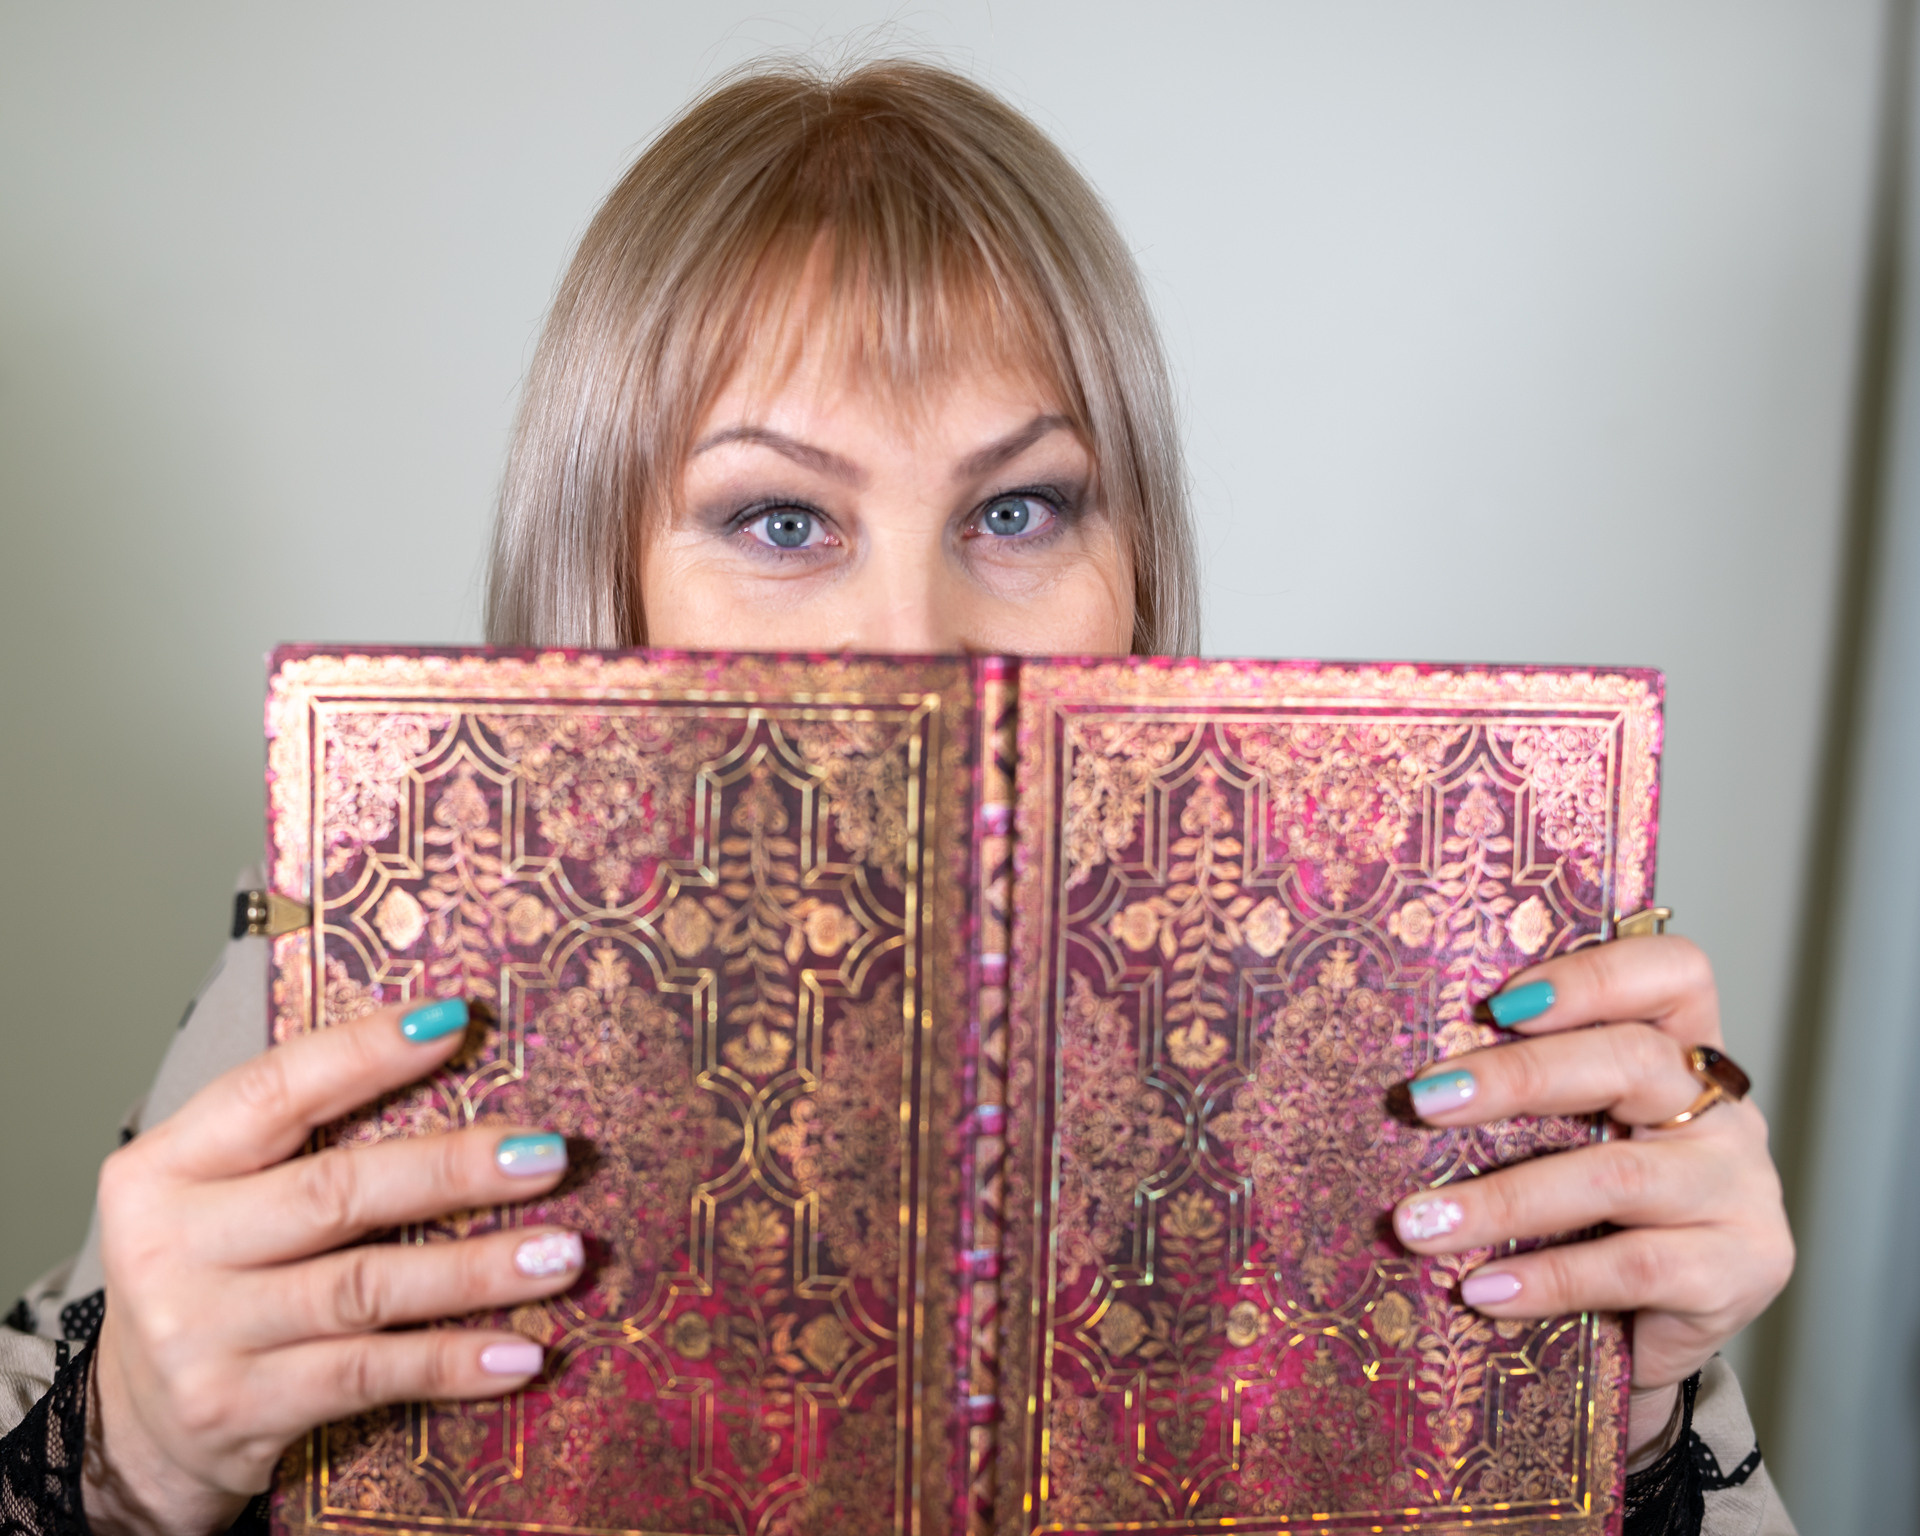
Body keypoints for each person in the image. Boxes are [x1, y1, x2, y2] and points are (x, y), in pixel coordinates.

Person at [0, 57, 1794, 1536]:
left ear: (1135, 569)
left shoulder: (1424, 1025)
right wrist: (129, 1467)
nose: (916, 635)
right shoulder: (329, 1014)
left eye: (1017, 510)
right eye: (782, 519)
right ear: (607, 579)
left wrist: (1625, 1426)